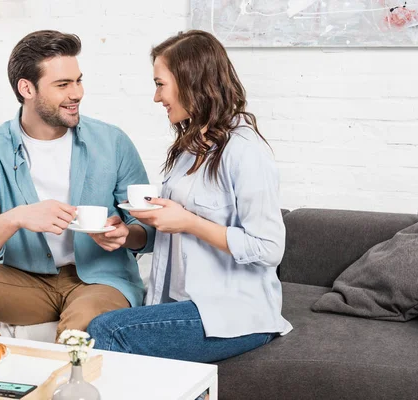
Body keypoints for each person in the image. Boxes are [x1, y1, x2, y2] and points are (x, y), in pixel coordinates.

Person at [0, 30, 155, 339]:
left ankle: (58, 382)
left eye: (78, 80)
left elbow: (149, 229)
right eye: (63, 85)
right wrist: (17, 217)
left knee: (78, 332)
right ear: (27, 88)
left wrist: (125, 234)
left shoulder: (112, 142)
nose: (76, 93)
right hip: (24, 281)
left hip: (99, 281)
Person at [87, 30, 293, 363]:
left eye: (160, 84)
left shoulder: (244, 151)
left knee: (108, 330)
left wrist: (189, 222)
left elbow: (269, 248)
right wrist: (129, 236)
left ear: (191, 81)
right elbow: (171, 235)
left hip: (235, 312)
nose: (156, 98)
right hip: (183, 305)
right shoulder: (189, 149)